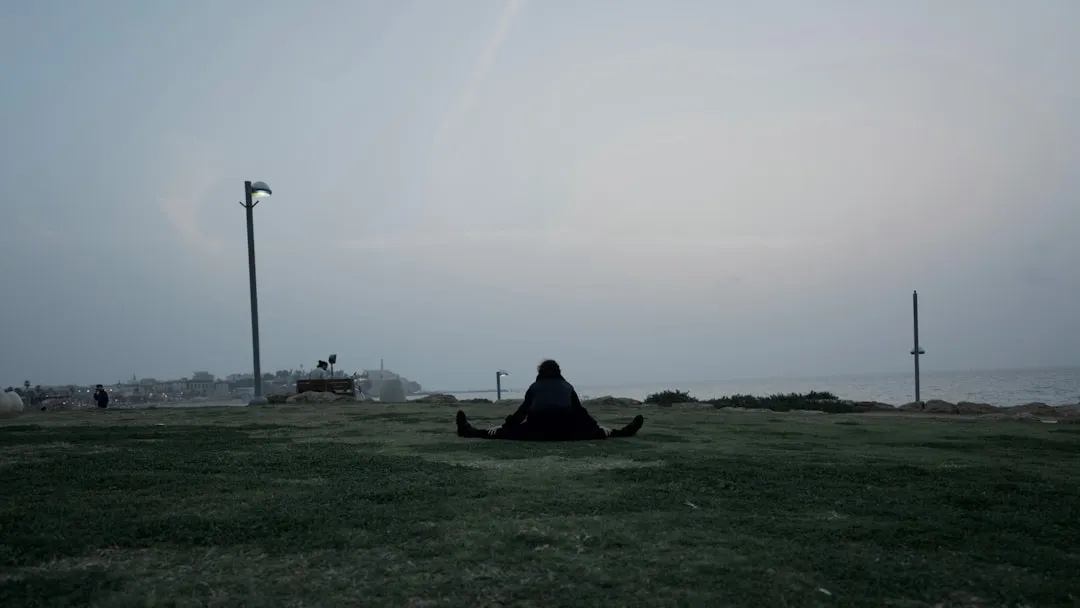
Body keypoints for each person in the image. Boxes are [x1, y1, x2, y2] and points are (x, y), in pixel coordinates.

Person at [455, 359, 644, 441]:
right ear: (559, 372)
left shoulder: (535, 387)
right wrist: (597, 426)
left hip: (536, 431)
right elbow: (579, 412)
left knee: (495, 434)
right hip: (566, 431)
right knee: (602, 433)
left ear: (540, 372)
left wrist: (504, 427)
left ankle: (467, 430)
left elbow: (522, 412)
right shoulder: (567, 387)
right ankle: (626, 431)